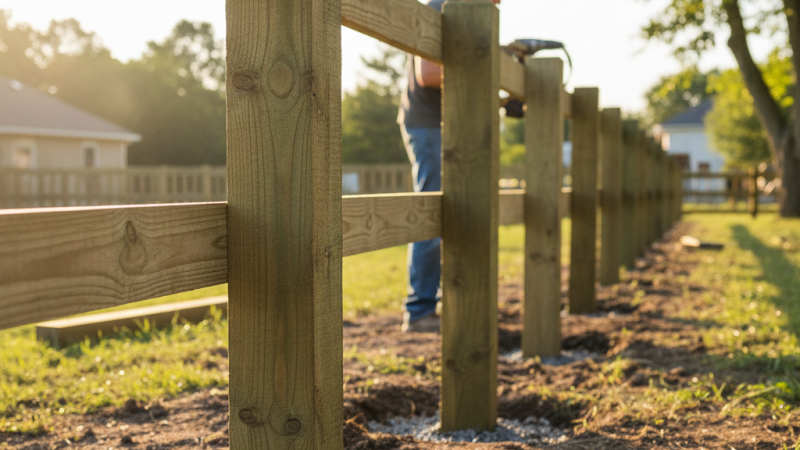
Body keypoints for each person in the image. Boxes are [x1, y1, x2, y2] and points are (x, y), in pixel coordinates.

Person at [399, 0, 501, 333]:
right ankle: (420, 310)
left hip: (455, 123)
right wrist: (487, 74)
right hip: (429, 124)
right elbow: (428, 73)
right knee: (433, 209)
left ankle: (449, 299)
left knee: (461, 210)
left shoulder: (474, 12)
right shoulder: (441, 4)